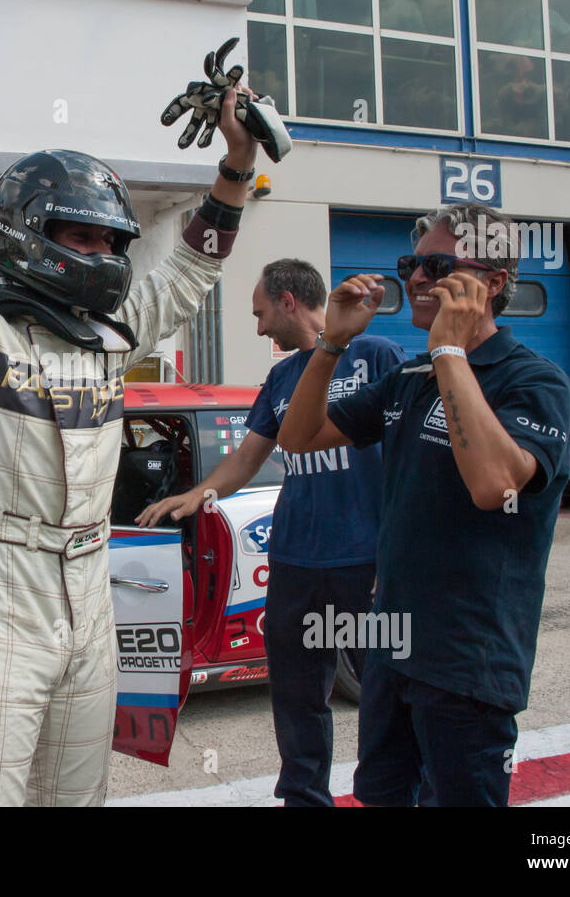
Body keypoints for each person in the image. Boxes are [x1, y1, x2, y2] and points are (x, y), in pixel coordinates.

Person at [0, 0, 263, 806]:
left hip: (92, 586)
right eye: (79, 233)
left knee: (78, 798)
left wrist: (234, 164)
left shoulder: (115, 340)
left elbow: (191, 267)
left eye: (112, 238)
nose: (103, 250)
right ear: (27, 234)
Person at [277, 202, 570, 807]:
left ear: (491, 284)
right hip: (392, 647)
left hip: (469, 662)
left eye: (436, 265)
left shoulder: (533, 380)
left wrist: (451, 353)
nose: (414, 278)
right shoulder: (410, 377)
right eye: (412, 262)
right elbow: (298, 438)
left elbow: (495, 485)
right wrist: (330, 343)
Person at [137, 259, 403, 806]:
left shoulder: (377, 357)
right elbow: (246, 460)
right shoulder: (281, 378)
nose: (258, 328)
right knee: (298, 696)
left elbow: (408, 457)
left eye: (260, 314)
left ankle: (392, 795)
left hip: (364, 564)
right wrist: (198, 493)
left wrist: (398, 552)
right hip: (296, 563)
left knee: (384, 692)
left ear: (287, 301)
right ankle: (304, 798)